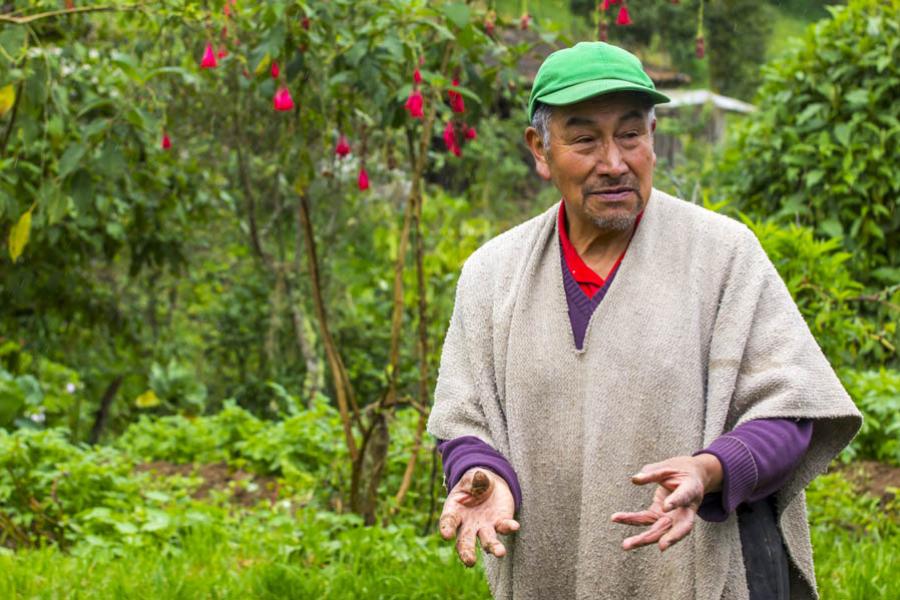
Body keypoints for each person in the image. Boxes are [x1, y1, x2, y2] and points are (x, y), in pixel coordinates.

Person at [426, 42, 860, 600]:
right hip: (545, 569)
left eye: (631, 134)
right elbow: (465, 417)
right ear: (540, 148)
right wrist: (478, 472)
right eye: (585, 139)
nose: (614, 162)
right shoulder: (493, 273)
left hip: (707, 569)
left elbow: (792, 409)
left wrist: (710, 469)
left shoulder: (723, 255)